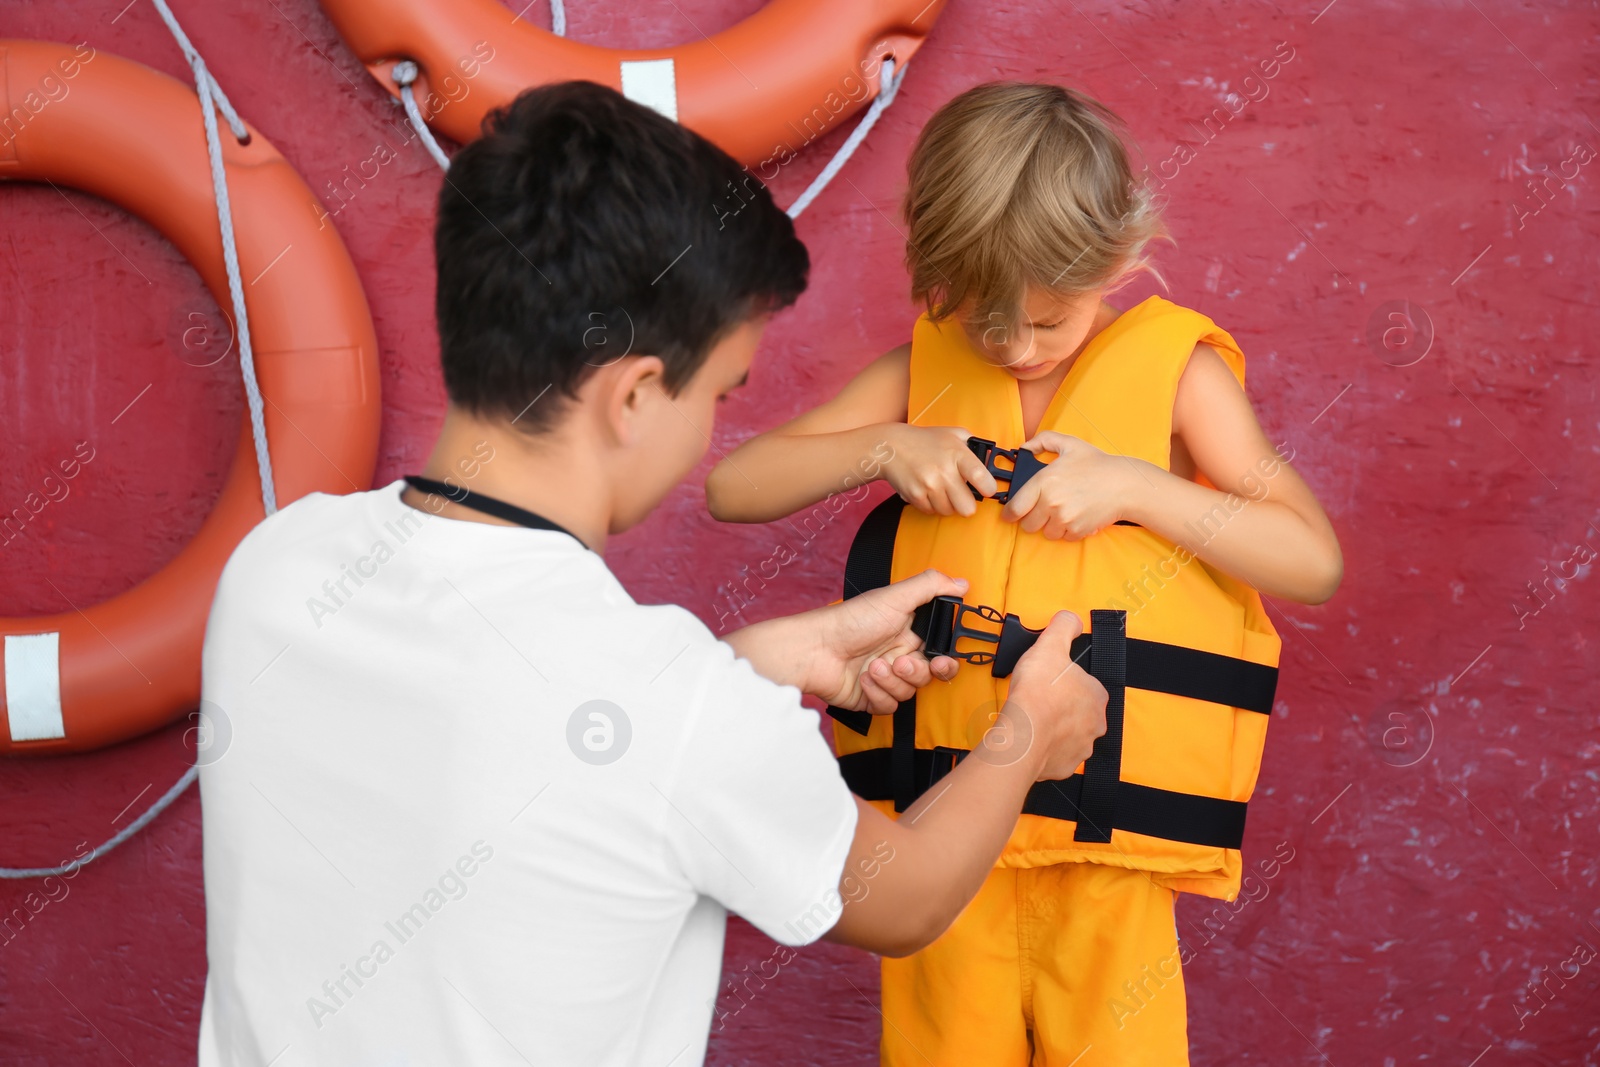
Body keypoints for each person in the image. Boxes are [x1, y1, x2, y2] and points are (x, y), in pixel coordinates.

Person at [194, 82, 1108, 1067]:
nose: (712, 425)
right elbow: (911, 892)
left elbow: (518, 730)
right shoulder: (677, 708)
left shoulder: (275, 571)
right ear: (633, 396)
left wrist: (748, 663)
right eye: (718, 391)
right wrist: (1029, 731)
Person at [706, 81, 1343, 1066]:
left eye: (1046, 322)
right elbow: (737, 486)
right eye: (979, 317)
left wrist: (1139, 485)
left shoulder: (1181, 377)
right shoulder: (920, 375)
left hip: (1102, 857)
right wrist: (882, 444)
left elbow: (1310, 559)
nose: (1009, 346)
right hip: (944, 832)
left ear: (1119, 260)